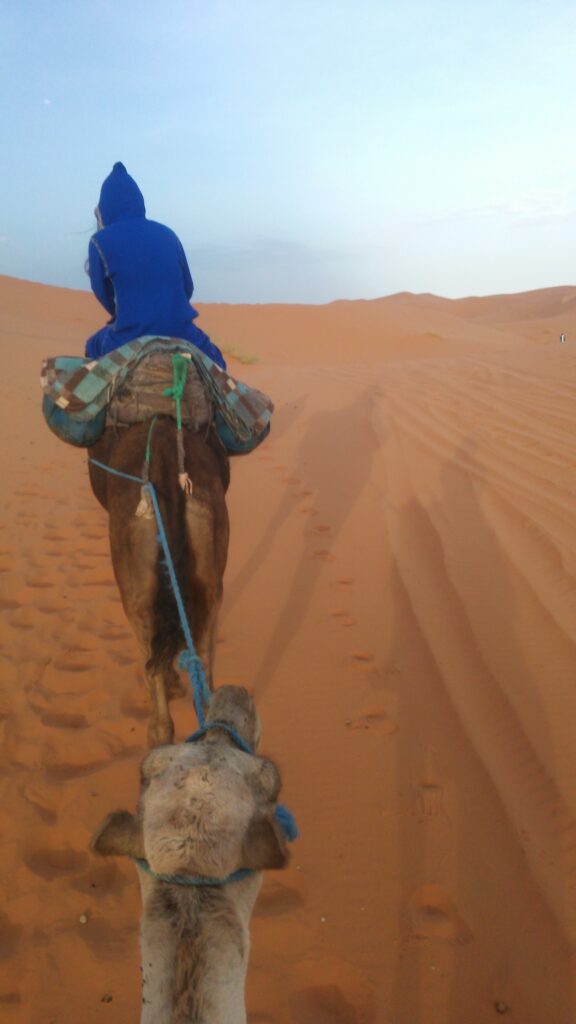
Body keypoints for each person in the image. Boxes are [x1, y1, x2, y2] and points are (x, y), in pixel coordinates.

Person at [84, 162, 226, 368]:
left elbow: (102, 293)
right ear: (139, 202)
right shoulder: (168, 234)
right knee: (218, 364)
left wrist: (122, 314)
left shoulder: (100, 241)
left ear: (105, 208)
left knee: (92, 346)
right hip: (183, 333)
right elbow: (188, 287)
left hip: (128, 337)